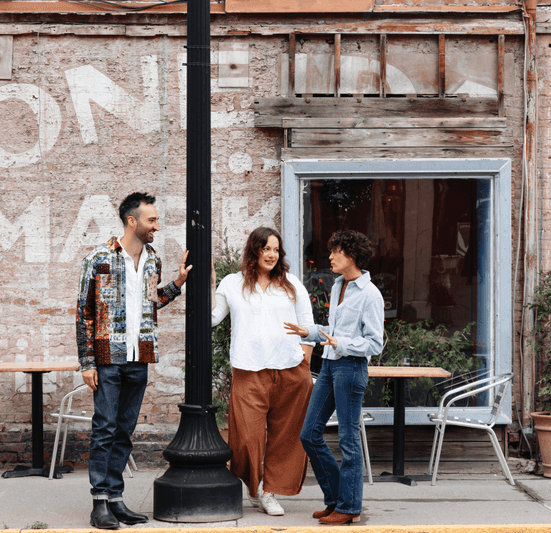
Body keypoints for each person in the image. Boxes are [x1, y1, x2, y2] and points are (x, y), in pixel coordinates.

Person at [76, 192, 191, 530]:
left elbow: (150, 303)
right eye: (151, 220)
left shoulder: (152, 258)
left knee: (124, 431)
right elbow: (83, 313)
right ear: (132, 221)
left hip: (138, 357)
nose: (156, 225)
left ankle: (115, 499)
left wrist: (176, 285)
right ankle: (99, 502)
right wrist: (87, 362)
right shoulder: (99, 258)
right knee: (105, 429)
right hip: (107, 358)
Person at [210, 226, 315, 517]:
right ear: (253, 250)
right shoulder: (232, 283)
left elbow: (308, 325)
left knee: (286, 436)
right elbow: (211, 319)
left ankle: (269, 492)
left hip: (291, 371)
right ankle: (253, 484)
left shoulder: (291, 283)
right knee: (246, 437)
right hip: (249, 369)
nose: (271, 254)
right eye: (265, 248)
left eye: (275, 249)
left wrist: (304, 363)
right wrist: (209, 283)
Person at [284, 229, 384, 525]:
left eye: (335, 251)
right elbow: (332, 331)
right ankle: (336, 499)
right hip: (329, 366)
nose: (330, 257)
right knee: (309, 434)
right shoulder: (339, 285)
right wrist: (309, 332)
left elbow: (375, 343)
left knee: (348, 440)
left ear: (350, 255)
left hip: (351, 368)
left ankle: (349, 507)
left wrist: (343, 344)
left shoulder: (370, 294)